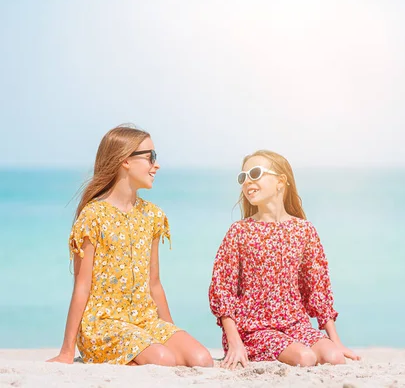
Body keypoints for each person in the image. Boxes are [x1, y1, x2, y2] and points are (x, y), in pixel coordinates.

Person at [47, 125, 213, 367]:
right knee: (163, 360)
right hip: (103, 324)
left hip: (144, 321)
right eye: (150, 157)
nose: (156, 165)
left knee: (201, 359)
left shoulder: (153, 216)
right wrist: (66, 350)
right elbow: (82, 286)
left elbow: (154, 283)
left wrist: (170, 331)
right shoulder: (93, 216)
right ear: (125, 160)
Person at [209, 149, 360, 369]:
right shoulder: (239, 232)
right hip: (253, 330)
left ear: (281, 181)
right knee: (305, 358)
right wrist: (235, 343)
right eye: (243, 177)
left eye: (255, 173)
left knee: (334, 357)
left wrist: (336, 342)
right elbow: (222, 290)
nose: (247, 181)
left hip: (296, 325)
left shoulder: (304, 230)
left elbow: (317, 289)